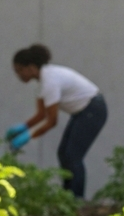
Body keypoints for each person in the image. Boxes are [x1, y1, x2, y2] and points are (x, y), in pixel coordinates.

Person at [6, 44, 108, 198]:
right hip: (83, 112)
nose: (19, 75)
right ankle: (67, 196)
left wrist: (28, 136)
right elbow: (41, 115)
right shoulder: (44, 81)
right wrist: (23, 128)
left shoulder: (49, 82)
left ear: (32, 68)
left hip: (93, 109)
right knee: (64, 154)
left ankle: (76, 200)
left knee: (73, 156)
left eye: (20, 70)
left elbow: (52, 121)